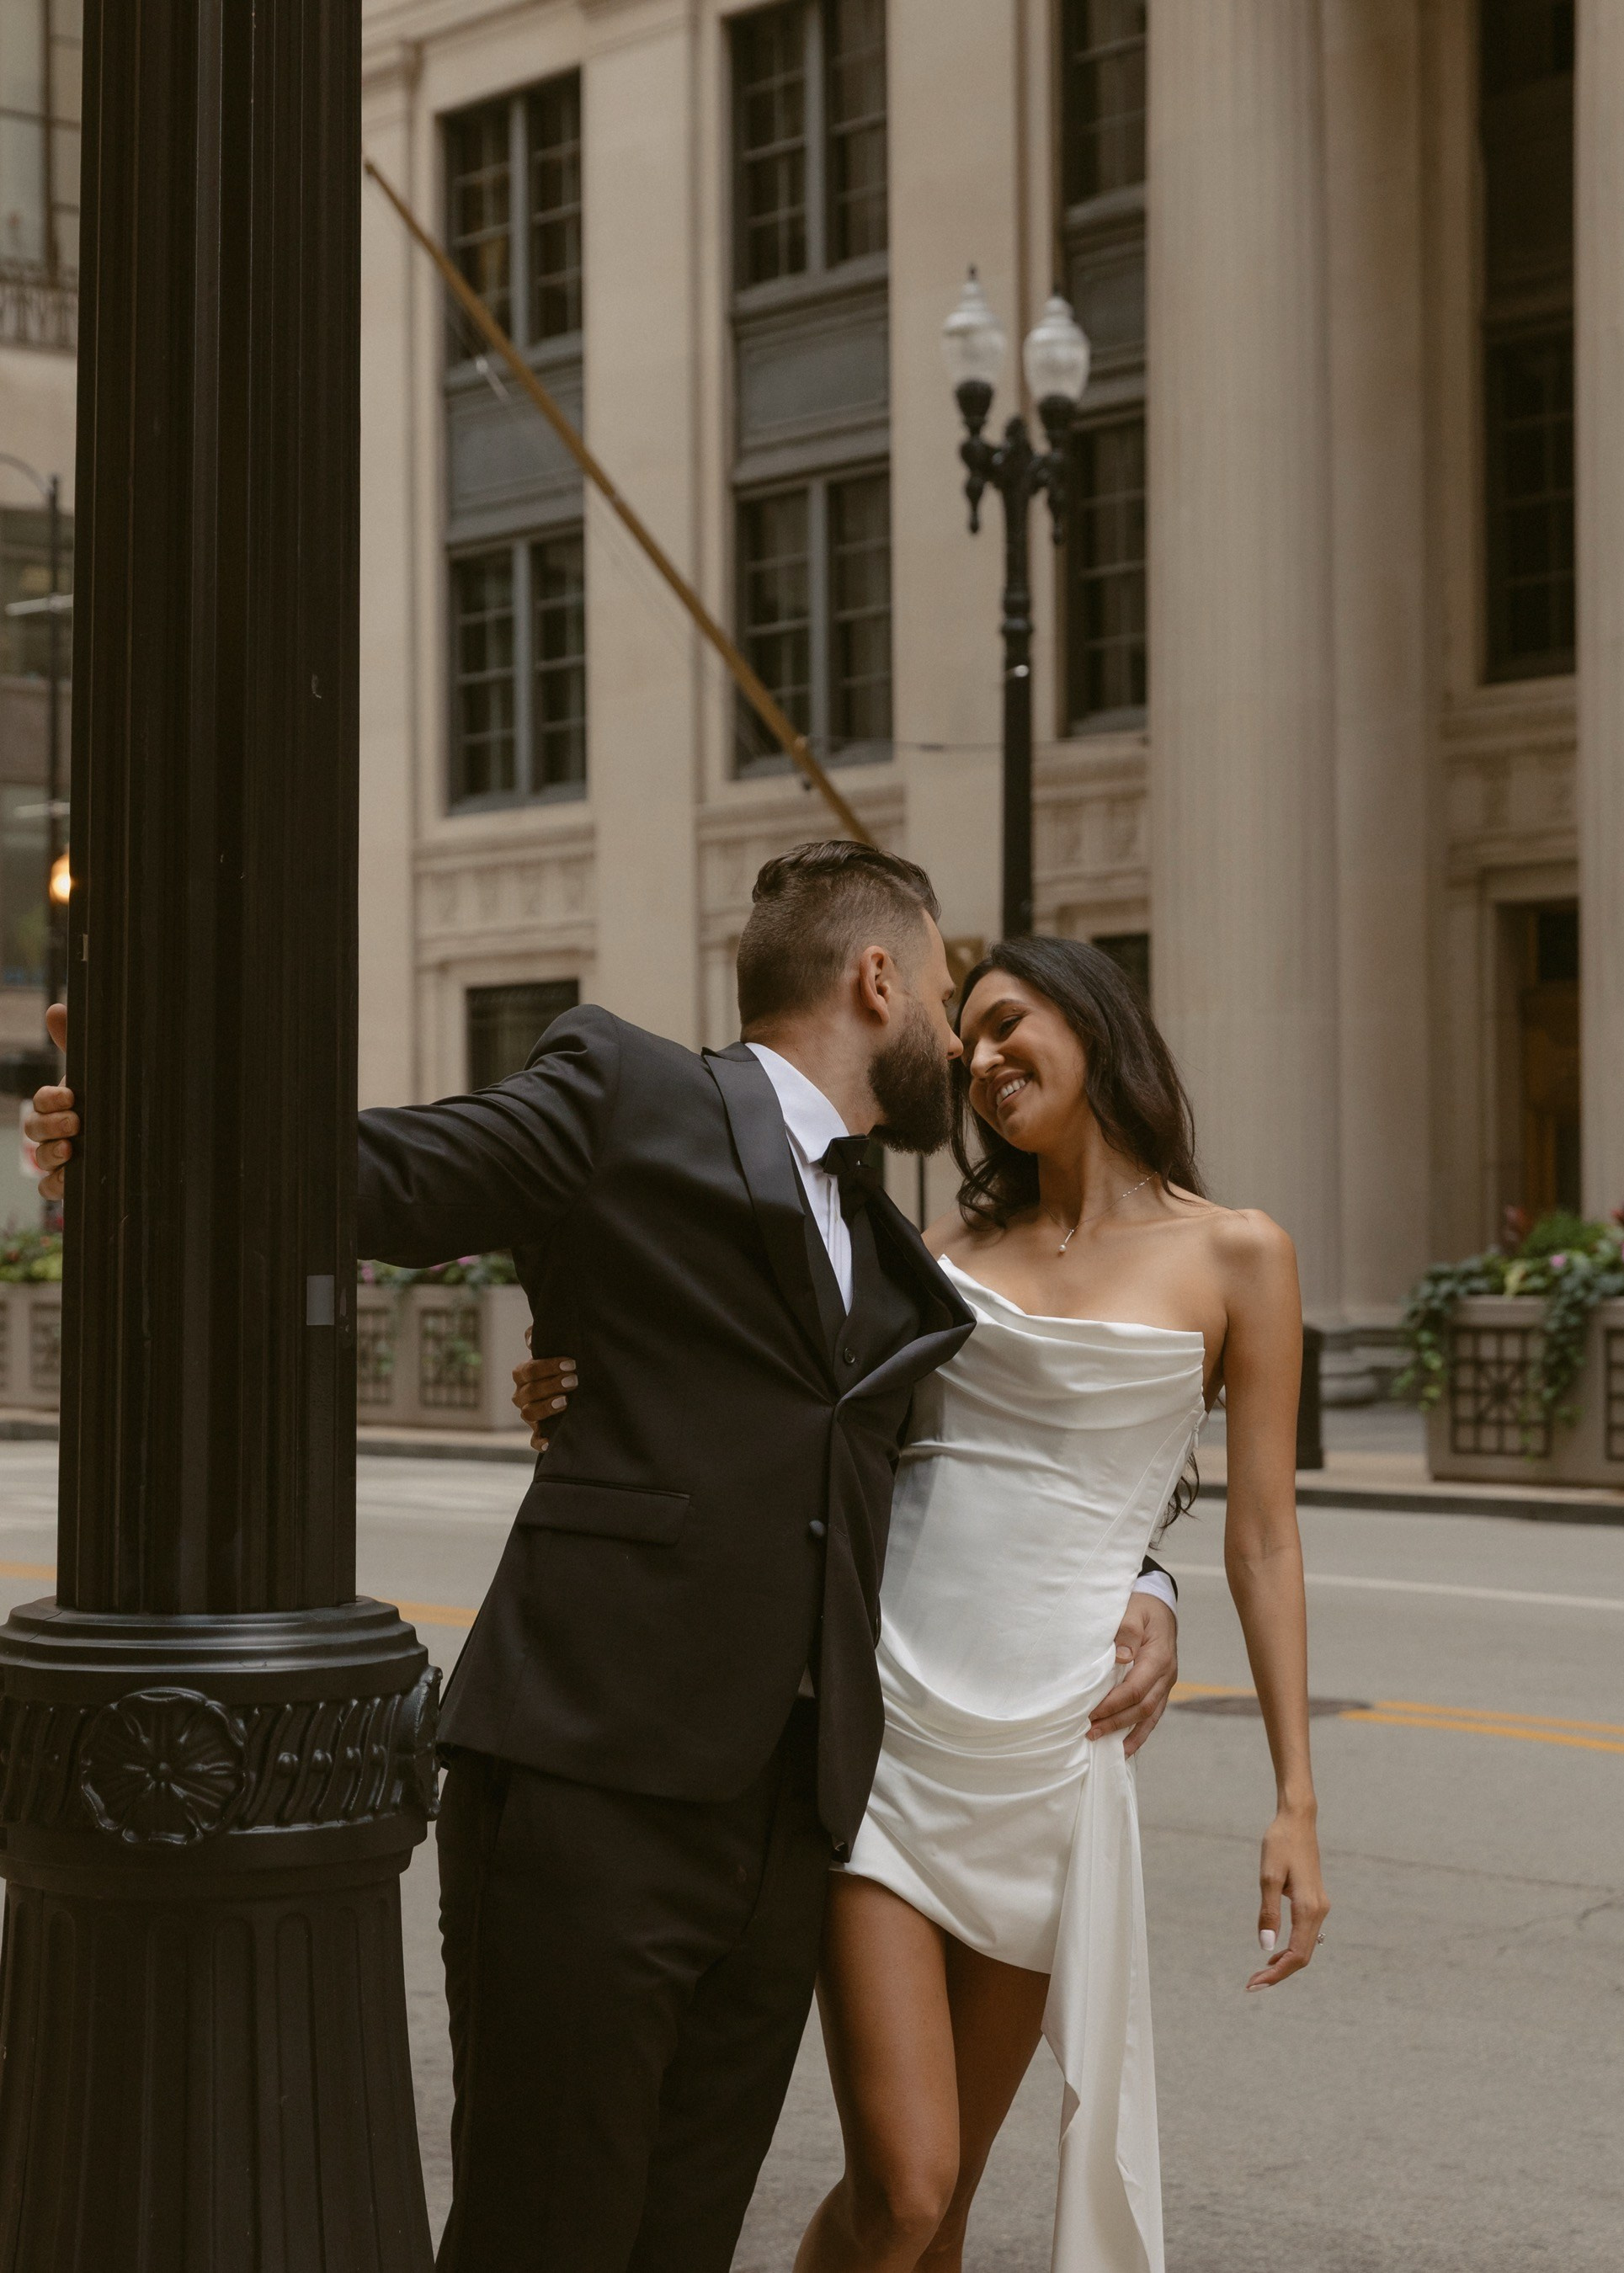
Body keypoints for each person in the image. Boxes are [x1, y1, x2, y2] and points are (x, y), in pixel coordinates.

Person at [25, 842, 1180, 2273]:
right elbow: (385, 1177)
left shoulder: (898, 1257)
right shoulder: (627, 1089)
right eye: (948, 995)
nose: (955, 1038)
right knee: (545, 2233)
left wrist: (1147, 1580)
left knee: (680, 2240)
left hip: (787, 1823)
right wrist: (140, 1119)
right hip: (589, 1788)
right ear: (878, 980)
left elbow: (1010, 1462)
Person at [514, 934, 1330, 2273]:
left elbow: (1265, 1538)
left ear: (1096, 1023)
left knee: (942, 2219)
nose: (986, 1059)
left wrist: (1292, 1796)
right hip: (885, 1732)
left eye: (1012, 1024)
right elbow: (786, 1404)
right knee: (906, 2185)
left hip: (1053, 1764)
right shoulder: (935, 1251)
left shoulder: (1243, 1255)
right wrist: (586, 1378)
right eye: (974, 1042)